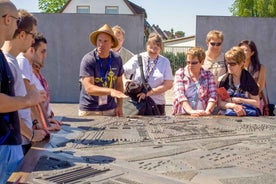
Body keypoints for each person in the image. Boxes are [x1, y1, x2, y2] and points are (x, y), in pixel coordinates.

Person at [0, 1, 46, 182]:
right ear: (6, 19)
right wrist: (28, 100)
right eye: (15, 20)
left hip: (10, 143)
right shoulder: (9, 60)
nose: (17, 24)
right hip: (4, 144)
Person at [79, 24, 127, 116]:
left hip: (110, 108)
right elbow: (89, 88)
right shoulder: (89, 59)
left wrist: (120, 105)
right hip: (90, 110)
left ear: (112, 43)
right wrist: (110, 91)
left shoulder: (117, 59)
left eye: (105, 41)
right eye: (99, 40)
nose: (101, 44)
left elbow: (119, 83)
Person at [17, 33, 62, 129]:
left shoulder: (27, 66)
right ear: (32, 50)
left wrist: (46, 122)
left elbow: (38, 102)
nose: (45, 55)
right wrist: (44, 125)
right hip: (29, 129)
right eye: (42, 51)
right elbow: (31, 99)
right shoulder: (22, 62)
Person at [123, 32, 173, 115]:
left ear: (160, 49)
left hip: (157, 104)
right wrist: (124, 81)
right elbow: (122, 71)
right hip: (137, 104)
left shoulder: (165, 62)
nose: (153, 50)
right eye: (151, 47)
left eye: (156, 48)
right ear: (147, 46)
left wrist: (149, 93)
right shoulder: (138, 58)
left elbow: (168, 84)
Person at [172, 47, 217, 116]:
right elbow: (180, 95)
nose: (190, 65)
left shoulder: (209, 75)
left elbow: (213, 95)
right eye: (188, 62)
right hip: (183, 114)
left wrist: (207, 111)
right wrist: (190, 111)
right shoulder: (180, 74)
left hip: (202, 114)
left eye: (194, 63)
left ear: (202, 62)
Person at [217, 46, 260, 116]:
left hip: (247, 116)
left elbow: (257, 103)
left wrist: (238, 100)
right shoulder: (223, 80)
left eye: (232, 64)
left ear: (241, 64)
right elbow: (220, 103)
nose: (229, 66)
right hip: (228, 116)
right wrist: (234, 106)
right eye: (227, 63)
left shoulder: (249, 80)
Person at [238, 40, 266, 113]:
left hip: (255, 102)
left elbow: (259, 87)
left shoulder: (260, 68)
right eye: (241, 50)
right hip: (238, 103)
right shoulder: (235, 67)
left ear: (252, 53)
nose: (243, 52)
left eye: (246, 50)